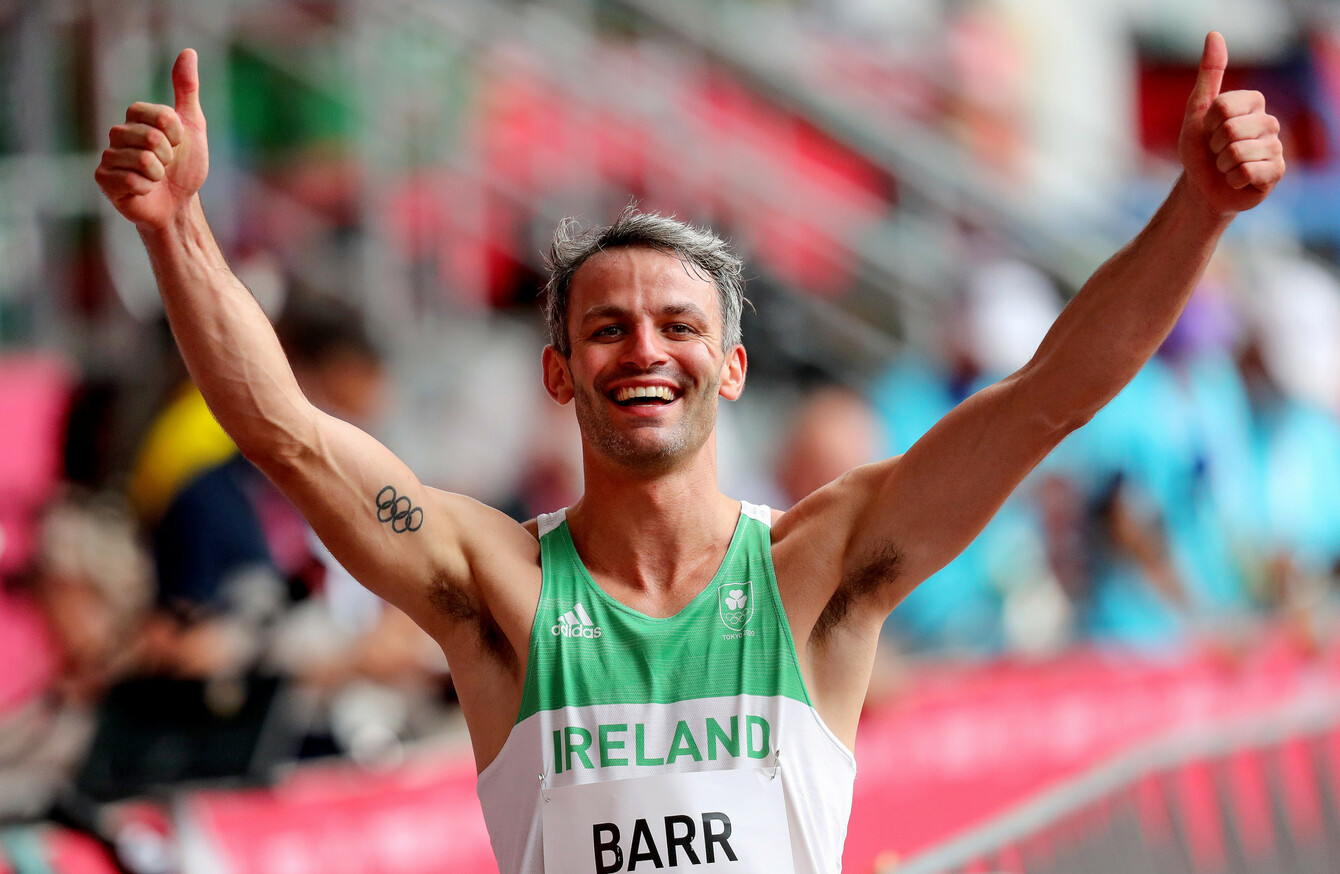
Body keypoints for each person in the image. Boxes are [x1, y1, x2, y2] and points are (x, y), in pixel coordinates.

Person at [95, 33, 1283, 873]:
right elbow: (287, 437)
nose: (641, 351)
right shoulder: (499, 591)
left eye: (677, 327)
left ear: (730, 368)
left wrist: (1197, 209)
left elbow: (1046, 399)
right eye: (604, 327)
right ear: (558, 372)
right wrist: (179, 228)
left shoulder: (819, 567)